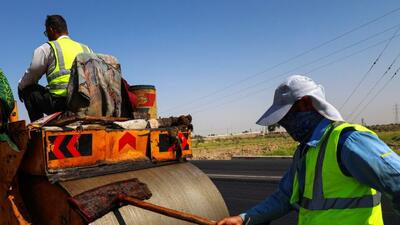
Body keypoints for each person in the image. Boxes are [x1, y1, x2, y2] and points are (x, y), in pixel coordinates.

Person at [217, 75, 400, 225]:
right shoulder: (306, 150)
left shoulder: (348, 141)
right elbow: (285, 197)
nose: (283, 124)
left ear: (306, 103)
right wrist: (244, 219)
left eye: (286, 117)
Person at [18, 15, 92, 121]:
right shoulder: (86, 49)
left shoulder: (48, 48)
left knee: (28, 90)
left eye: (46, 33)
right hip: (85, 103)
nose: (47, 36)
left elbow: (32, 74)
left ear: (51, 29)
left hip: (61, 104)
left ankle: (37, 128)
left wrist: (21, 87)